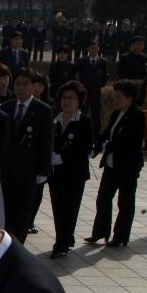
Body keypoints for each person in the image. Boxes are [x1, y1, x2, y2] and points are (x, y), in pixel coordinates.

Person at [86, 79, 145, 248]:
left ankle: (120, 236)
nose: (116, 100)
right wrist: (95, 149)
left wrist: (109, 146)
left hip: (128, 166)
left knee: (125, 203)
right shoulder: (116, 113)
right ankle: (100, 232)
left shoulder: (137, 115)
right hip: (112, 165)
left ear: (130, 98)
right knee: (103, 199)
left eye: (119, 97)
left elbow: (130, 140)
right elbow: (106, 134)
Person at [0, 68, 53, 243]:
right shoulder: (6, 107)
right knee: (6, 210)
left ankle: (17, 245)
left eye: (25, 84)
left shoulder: (43, 110)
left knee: (23, 213)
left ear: (33, 87)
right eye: (18, 84)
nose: (21, 88)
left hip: (29, 172)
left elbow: (46, 142)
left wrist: (43, 170)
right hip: (7, 171)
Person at [47, 81, 93, 258]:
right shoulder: (55, 119)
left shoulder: (84, 121)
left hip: (75, 173)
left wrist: (63, 158)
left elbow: (86, 147)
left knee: (70, 208)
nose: (66, 101)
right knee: (58, 208)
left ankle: (62, 243)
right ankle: (65, 238)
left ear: (79, 101)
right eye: (64, 98)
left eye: (71, 98)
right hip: (56, 173)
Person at [77, 42, 109, 144]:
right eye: (92, 48)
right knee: (82, 115)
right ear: (88, 49)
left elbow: (105, 76)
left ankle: (96, 138)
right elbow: (77, 75)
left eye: (96, 48)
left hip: (96, 93)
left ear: (98, 49)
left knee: (96, 116)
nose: (94, 50)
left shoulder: (103, 61)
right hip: (84, 93)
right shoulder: (82, 61)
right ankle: (80, 136)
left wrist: (100, 85)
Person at [118, 35, 147, 107]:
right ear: (132, 45)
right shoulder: (125, 57)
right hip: (128, 87)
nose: (140, 46)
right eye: (138, 44)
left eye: (142, 44)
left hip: (141, 88)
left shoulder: (146, 58)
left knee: (139, 109)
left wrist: (143, 81)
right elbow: (121, 72)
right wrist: (132, 81)